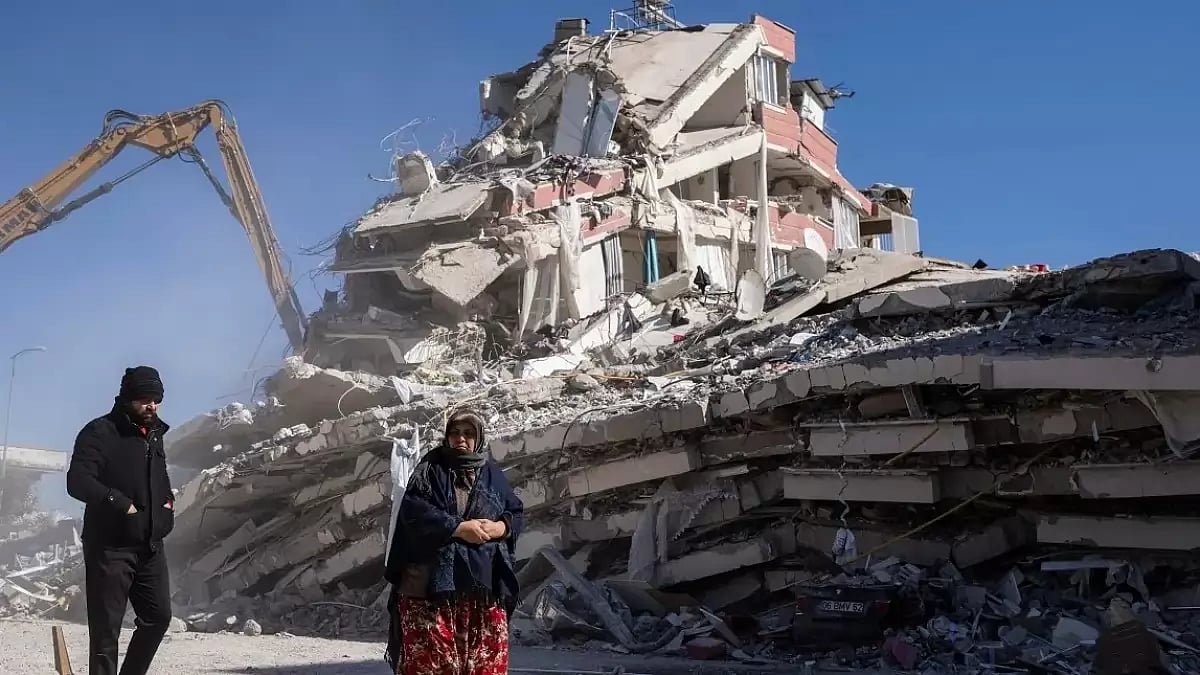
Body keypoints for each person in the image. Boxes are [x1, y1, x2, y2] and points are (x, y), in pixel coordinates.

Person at [384, 408, 524, 675]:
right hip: (430, 591)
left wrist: (499, 527)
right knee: (431, 664)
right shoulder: (430, 469)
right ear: (447, 437)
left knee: (485, 665)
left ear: (479, 438)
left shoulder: (492, 475)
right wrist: (458, 528)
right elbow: (413, 513)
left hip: (482, 590)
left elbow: (515, 512)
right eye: (455, 433)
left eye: (469, 433)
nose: (462, 439)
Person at [66, 366, 175, 675]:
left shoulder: (154, 434)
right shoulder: (100, 431)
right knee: (106, 632)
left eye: (156, 399)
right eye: (144, 399)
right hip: (110, 547)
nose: (151, 406)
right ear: (127, 398)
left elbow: (159, 480)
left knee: (158, 618)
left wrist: (167, 505)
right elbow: (78, 481)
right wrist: (119, 502)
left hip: (150, 546)